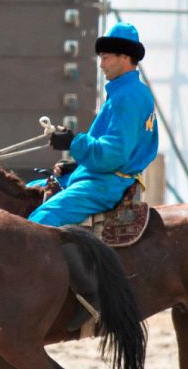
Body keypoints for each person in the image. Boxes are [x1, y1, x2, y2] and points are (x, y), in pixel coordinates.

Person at [28, 21, 158, 227]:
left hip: (108, 183)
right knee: (28, 190)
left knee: (38, 222)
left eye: (105, 58)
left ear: (124, 57)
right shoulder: (127, 92)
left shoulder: (128, 97)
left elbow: (114, 154)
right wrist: (78, 164)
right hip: (101, 176)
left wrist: (73, 143)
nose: (101, 64)